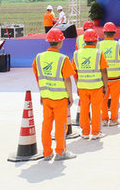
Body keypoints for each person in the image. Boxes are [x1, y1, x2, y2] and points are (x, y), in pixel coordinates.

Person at [32, 28, 76, 160]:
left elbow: (38, 77)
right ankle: (60, 152)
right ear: (60, 42)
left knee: (46, 125)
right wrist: (70, 96)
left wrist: (42, 93)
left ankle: (47, 153)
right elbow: (67, 80)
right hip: (60, 98)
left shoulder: (39, 58)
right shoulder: (63, 59)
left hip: (46, 97)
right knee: (60, 126)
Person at [72, 29, 109, 140]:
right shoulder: (98, 53)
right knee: (96, 109)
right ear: (96, 40)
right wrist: (105, 85)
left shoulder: (77, 54)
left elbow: (75, 72)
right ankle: (96, 132)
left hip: (82, 87)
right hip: (96, 87)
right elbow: (104, 71)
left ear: (84, 41)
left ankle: (85, 132)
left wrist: (78, 85)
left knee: (84, 109)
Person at [98, 22, 120, 126]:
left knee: (104, 98)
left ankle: (104, 119)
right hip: (116, 76)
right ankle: (114, 119)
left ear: (104, 33)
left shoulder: (98, 45)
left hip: (103, 77)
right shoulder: (118, 45)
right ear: (114, 33)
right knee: (115, 98)